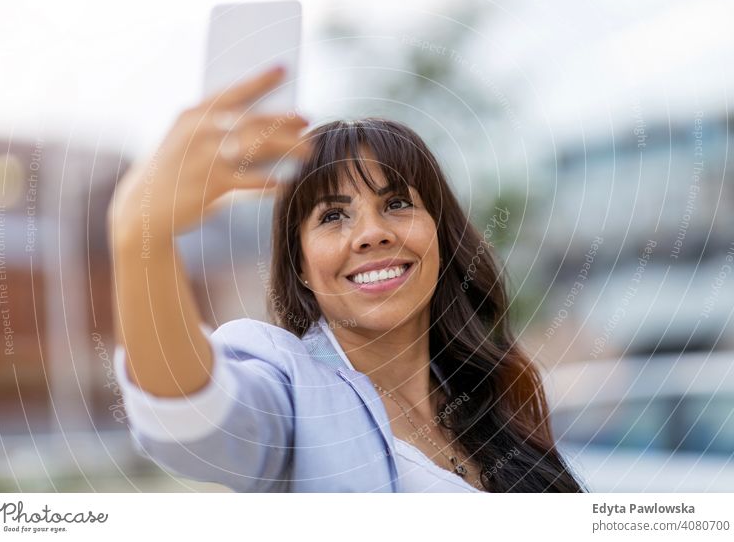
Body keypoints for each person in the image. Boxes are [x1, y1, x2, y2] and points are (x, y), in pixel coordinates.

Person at [108, 66, 586, 493]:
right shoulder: (289, 390)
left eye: (397, 204)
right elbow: (197, 415)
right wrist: (139, 238)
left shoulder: (496, 390)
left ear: (440, 235)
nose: (372, 234)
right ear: (300, 266)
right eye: (333, 215)